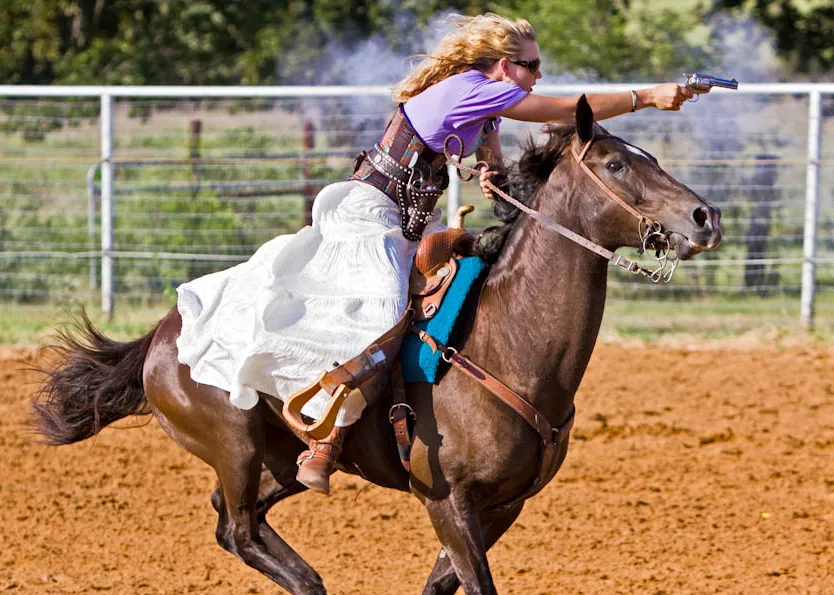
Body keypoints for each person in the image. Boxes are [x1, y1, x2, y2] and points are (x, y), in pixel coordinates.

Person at [175, 13, 702, 495]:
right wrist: (647, 96)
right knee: (380, 310)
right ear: (502, 66)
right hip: (368, 213)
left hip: (404, 222)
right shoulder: (469, 89)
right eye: (531, 66)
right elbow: (568, 111)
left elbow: (489, 150)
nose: (539, 75)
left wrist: (492, 171)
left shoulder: (486, 104)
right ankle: (325, 438)